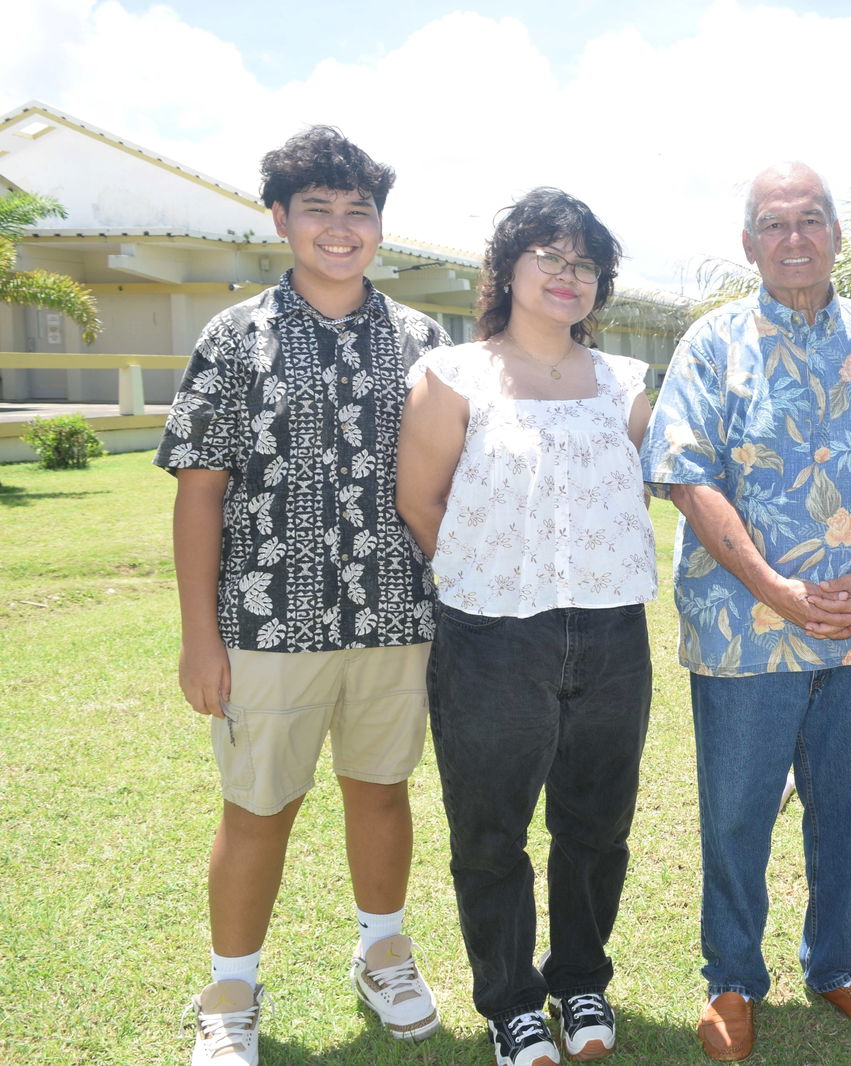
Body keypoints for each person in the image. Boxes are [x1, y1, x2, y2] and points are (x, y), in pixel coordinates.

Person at [157, 127, 449, 1066]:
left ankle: (384, 952)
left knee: (382, 792)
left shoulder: (422, 341)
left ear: (379, 226)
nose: (338, 227)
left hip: (396, 618)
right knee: (257, 810)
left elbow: (452, 485)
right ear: (280, 219)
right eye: (316, 209)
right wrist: (200, 638)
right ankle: (230, 989)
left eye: (357, 210)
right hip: (267, 622)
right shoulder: (235, 335)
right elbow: (199, 489)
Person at [639, 161, 851, 1061]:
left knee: (848, 808)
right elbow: (685, 477)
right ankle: (731, 979)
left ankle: (839, 963)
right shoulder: (711, 344)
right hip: (745, 630)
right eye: (775, 224)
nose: (795, 238)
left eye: (811, 219)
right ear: (748, 244)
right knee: (737, 813)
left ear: (839, 234)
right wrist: (773, 587)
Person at [396, 188, 655, 1066]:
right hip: (491, 640)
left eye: (584, 262)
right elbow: (420, 502)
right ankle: (511, 1000)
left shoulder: (625, 384)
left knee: (595, 826)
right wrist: (490, 575)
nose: (566, 273)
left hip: (614, 633)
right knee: (491, 831)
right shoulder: (451, 375)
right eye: (548, 254)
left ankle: (581, 980)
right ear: (505, 268)